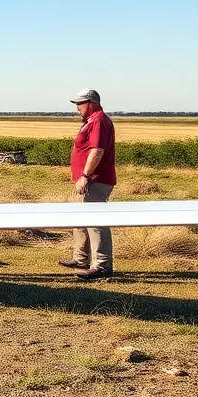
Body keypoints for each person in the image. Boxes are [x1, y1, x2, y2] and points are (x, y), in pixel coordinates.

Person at [59, 89, 117, 281]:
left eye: (80, 103)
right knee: (81, 219)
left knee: (95, 221)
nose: (77, 108)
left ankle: (101, 265)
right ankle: (80, 259)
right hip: (87, 180)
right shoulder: (91, 121)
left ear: (91, 103)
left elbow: (97, 151)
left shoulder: (99, 120)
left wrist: (85, 174)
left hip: (96, 179)